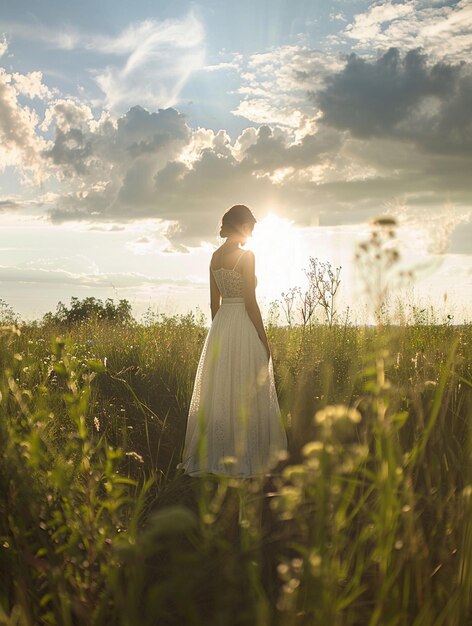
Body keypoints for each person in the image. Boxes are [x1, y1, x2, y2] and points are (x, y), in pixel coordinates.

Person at [180, 205, 288, 477]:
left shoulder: (215, 258)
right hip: (242, 320)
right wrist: (263, 340)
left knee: (222, 387)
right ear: (244, 226)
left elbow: (213, 303)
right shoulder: (247, 256)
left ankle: (220, 451)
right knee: (245, 385)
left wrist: (221, 330)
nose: (251, 232)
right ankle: (245, 453)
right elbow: (251, 303)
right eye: (251, 226)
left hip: (222, 324)